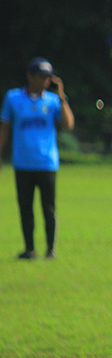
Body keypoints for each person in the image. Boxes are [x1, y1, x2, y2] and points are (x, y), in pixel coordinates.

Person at [0, 57, 75, 260]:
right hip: (23, 162)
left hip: (46, 163)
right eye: (41, 76)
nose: (44, 81)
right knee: (25, 207)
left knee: (48, 207)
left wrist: (62, 97)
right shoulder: (13, 98)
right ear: (30, 76)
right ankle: (29, 249)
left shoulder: (52, 101)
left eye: (47, 77)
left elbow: (68, 125)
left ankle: (50, 249)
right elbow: (5, 128)